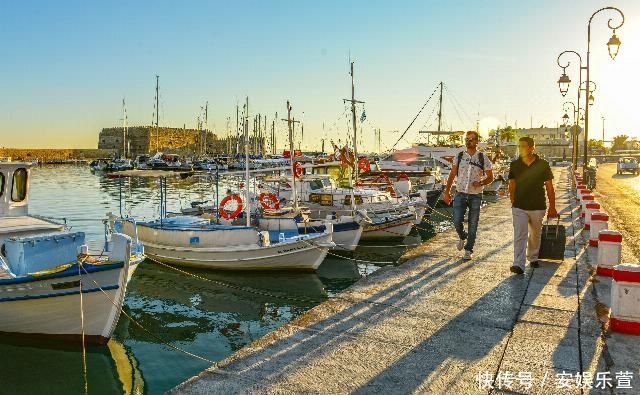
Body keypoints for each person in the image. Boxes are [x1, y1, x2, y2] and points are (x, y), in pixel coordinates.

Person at [508, 137, 558, 274]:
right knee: (520, 235)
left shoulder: (543, 164)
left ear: (532, 148)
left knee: (535, 234)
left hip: (538, 206)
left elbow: (549, 186)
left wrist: (552, 206)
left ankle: (533, 257)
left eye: (523, 146)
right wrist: (512, 201)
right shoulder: (515, 165)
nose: (521, 149)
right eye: (519, 146)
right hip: (519, 206)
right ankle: (518, 263)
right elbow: (512, 184)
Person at [443, 131, 494, 260]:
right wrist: (447, 192)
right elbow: (452, 174)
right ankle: (462, 236)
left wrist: (481, 182)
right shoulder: (459, 156)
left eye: (471, 139)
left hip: (476, 195)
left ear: (477, 142)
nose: (468, 141)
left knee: (473, 223)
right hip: (460, 193)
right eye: (467, 139)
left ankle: (468, 249)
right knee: (456, 220)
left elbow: (491, 177)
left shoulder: (483, 157)